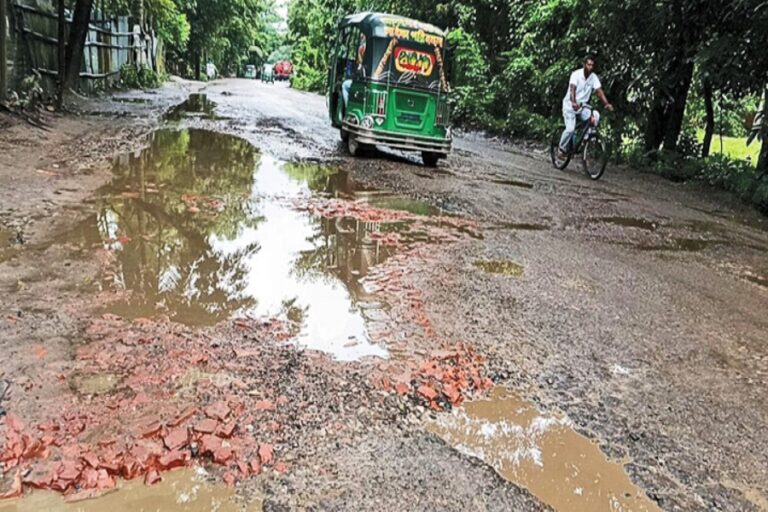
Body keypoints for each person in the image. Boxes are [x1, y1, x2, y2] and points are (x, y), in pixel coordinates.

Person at [559, 56, 614, 155]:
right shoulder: (576, 75)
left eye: (592, 65)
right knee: (570, 129)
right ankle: (561, 149)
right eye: (589, 65)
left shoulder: (593, 77)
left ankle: (587, 139)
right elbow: (572, 89)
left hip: (583, 106)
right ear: (584, 65)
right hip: (570, 106)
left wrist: (606, 104)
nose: (590, 67)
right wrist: (573, 102)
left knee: (595, 116)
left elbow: (599, 91)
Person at [342, 34, 366, 112]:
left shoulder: (362, 48)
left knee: (345, 85)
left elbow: (359, 71)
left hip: (363, 84)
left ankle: (347, 108)